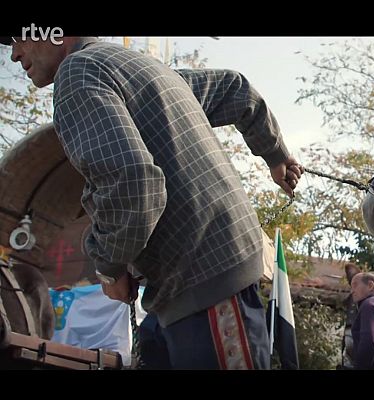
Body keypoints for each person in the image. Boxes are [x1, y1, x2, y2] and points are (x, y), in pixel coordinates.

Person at [2, 35, 304, 369]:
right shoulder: (143, 68)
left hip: (204, 280)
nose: (14, 53)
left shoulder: (76, 74)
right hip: (197, 281)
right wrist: (276, 155)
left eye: (20, 37)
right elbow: (235, 89)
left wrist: (109, 266)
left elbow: (133, 184)